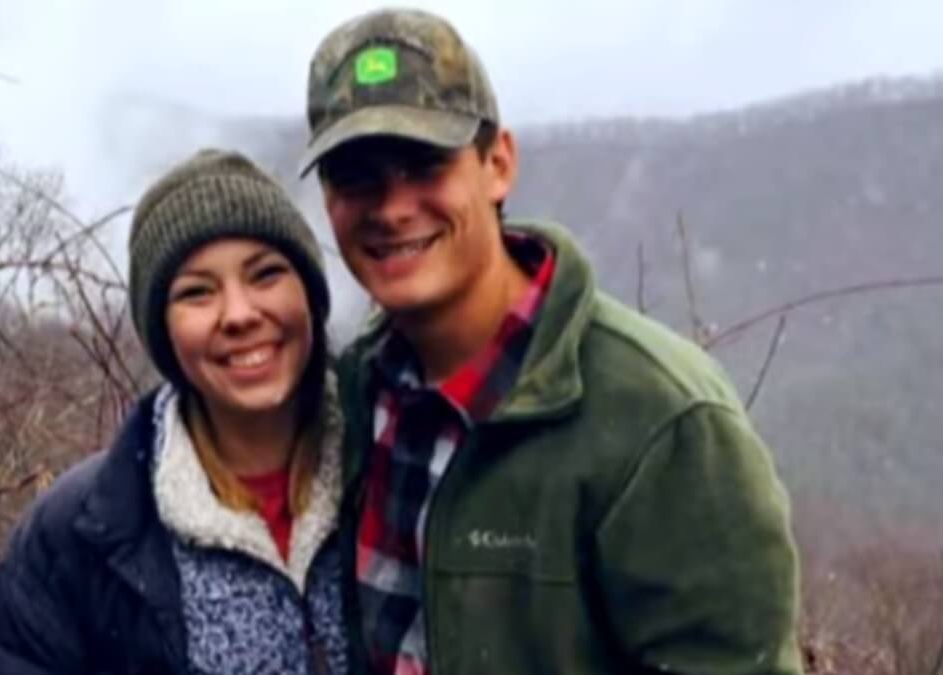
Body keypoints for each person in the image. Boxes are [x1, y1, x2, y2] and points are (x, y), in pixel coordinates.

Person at [298, 8, 804, 675]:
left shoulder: (662, 422)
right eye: (356, 175)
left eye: (425, 164)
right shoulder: (356, 394)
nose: (392, 206)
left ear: (497, 164)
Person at [0, 149, 347, 675]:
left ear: (309, 294)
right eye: (197, 292)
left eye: (265, 275)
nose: (240, 314)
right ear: (164, 332)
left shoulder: (397, 468)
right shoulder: (76, 541)